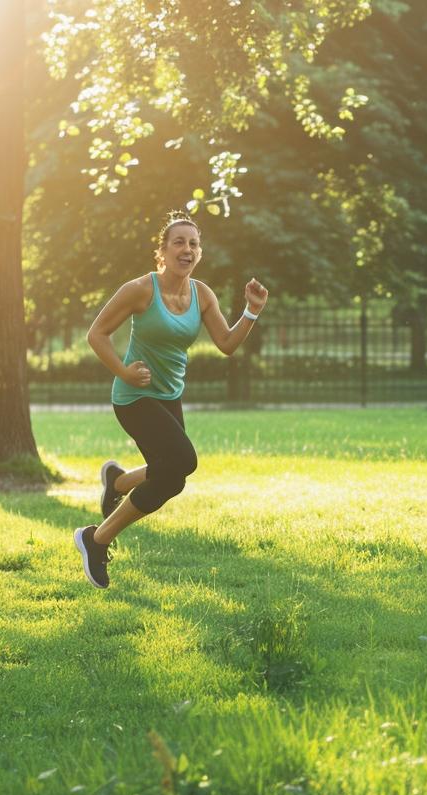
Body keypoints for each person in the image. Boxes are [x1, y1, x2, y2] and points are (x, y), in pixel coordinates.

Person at [73, 210, 268, 588]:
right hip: (134, 396)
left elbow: (227, 344)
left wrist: (251, 312)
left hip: (169, 396)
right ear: (161, 252)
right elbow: (96, 334)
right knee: (182, 462)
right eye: (178, 242)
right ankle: (95, 539)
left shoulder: (202, 294)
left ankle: (117, 483)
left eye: (193, 243)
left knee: (172, 479)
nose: (187, 249)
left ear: (200, 253)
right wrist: (124, 371)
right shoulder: (140, 289)